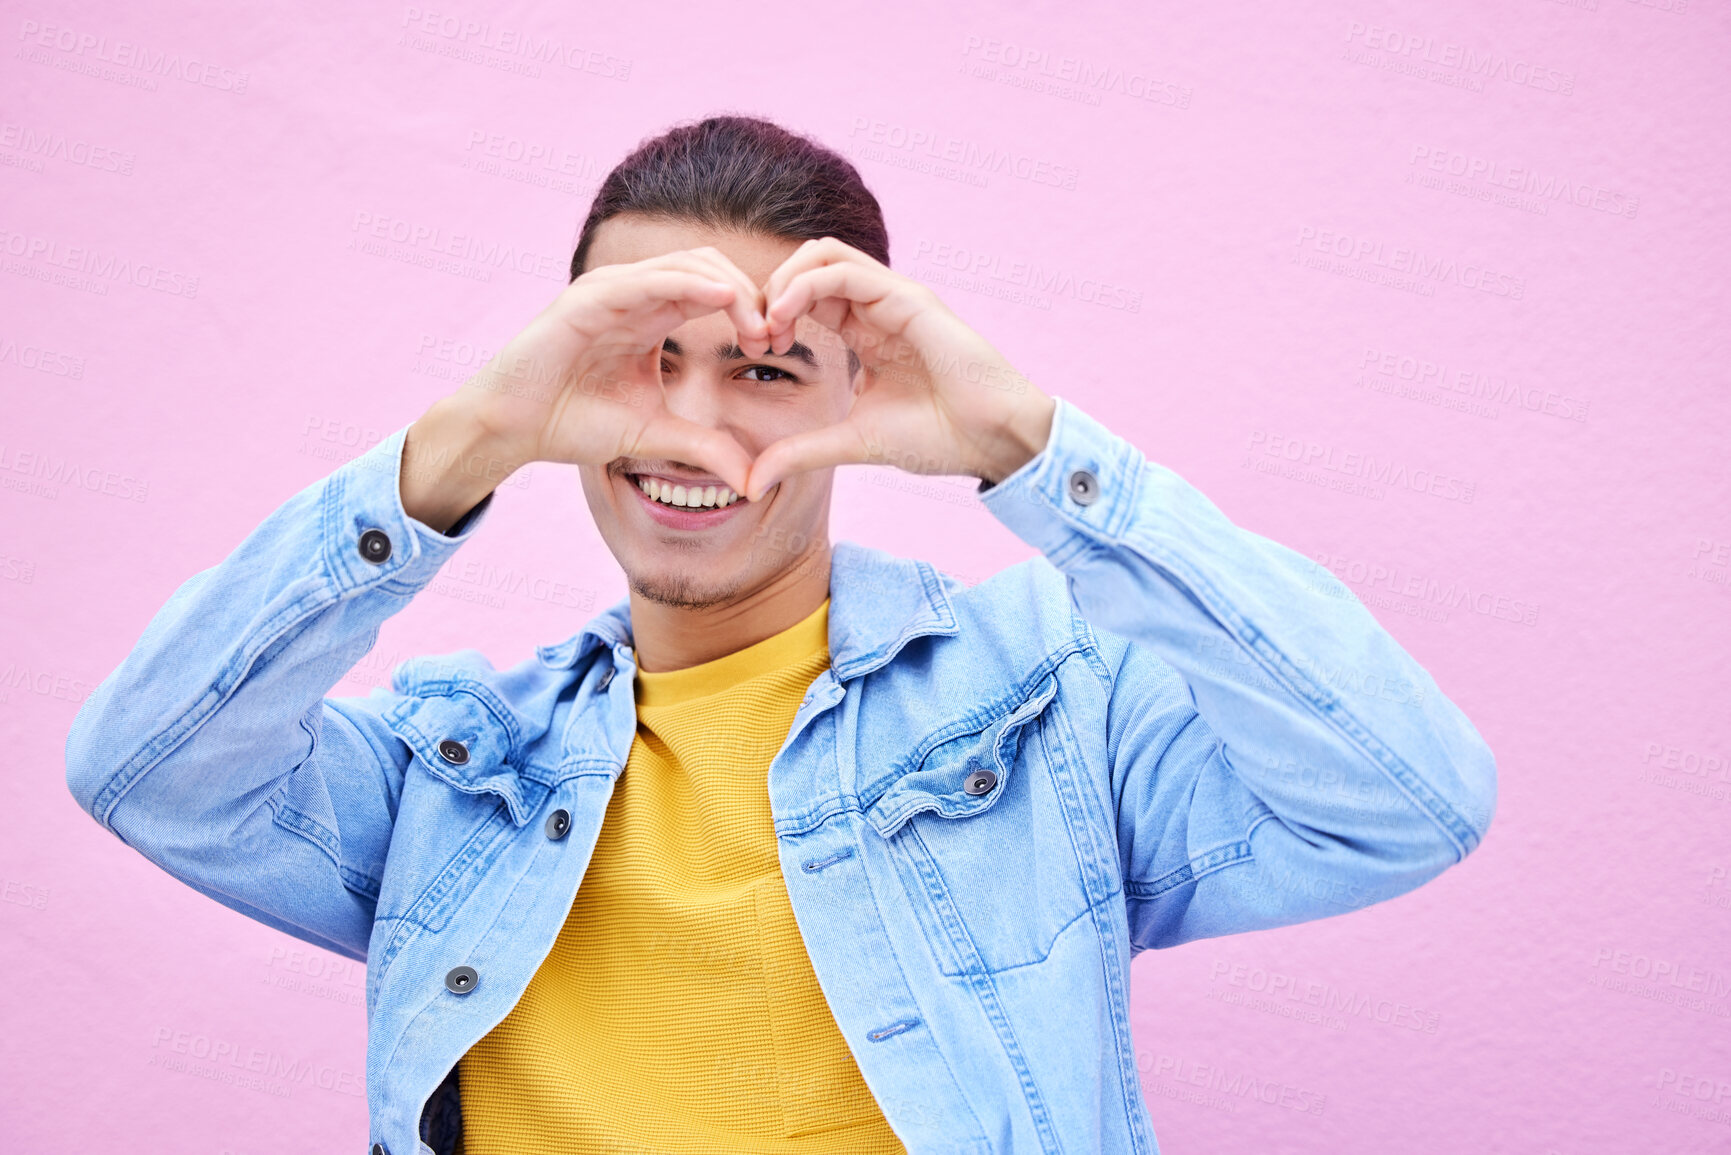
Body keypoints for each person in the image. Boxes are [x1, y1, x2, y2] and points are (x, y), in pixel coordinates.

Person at [64, 115, 1497, 1155]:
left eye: (763, 369)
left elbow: (1407, 805)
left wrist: (1030, 450)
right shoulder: (458, 769)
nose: (691, 426)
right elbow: (146, 771)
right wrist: (460, 446)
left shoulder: (1051, 711)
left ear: (855, 396)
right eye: (639, 363)